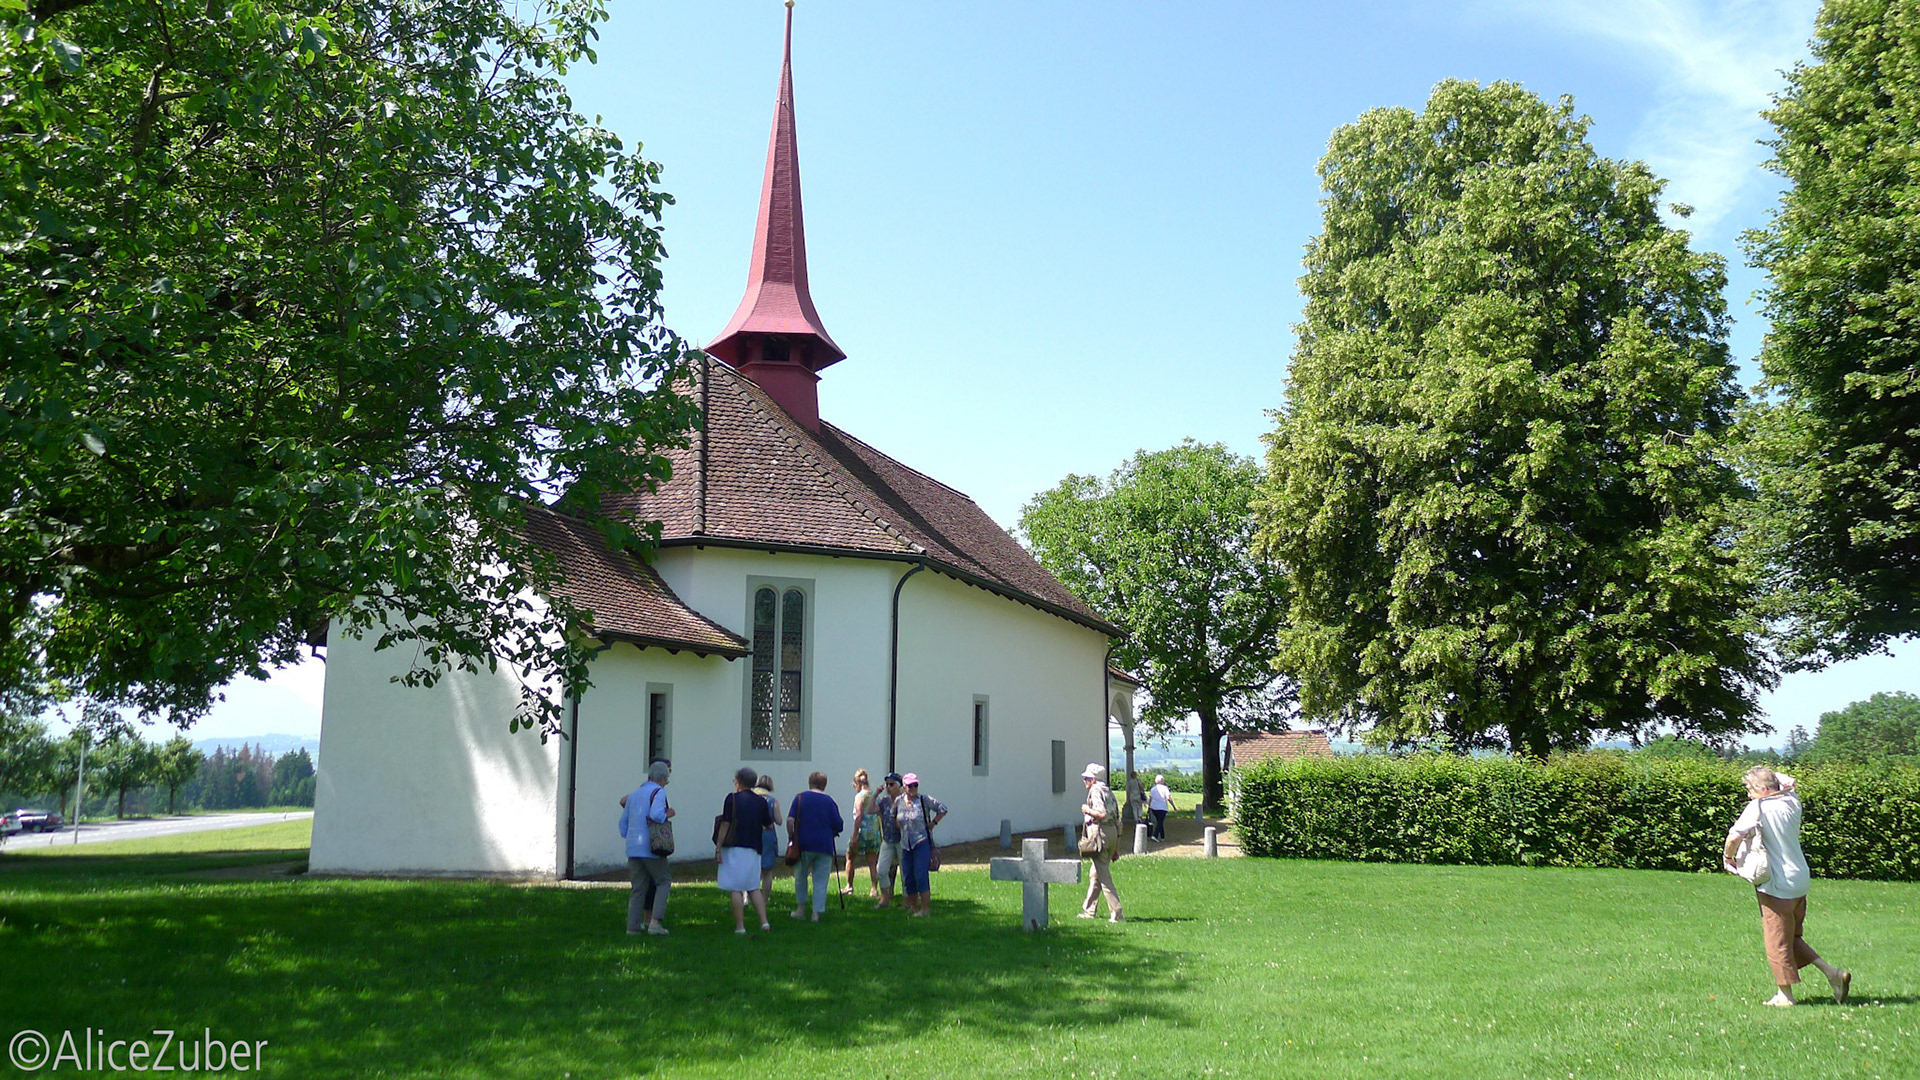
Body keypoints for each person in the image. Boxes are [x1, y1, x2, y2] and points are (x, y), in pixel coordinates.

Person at [1722, 767, 1849, 1007]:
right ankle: (1833, 974)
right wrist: (1777, 781)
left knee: (1776, 940)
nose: (1748, 795)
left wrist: (1729, 858)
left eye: (1750, 789)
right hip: (1799, 878)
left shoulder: (1758, 807)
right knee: (1791, 937)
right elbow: (1785, 782)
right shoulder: (1792, 800)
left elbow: (1734, 836)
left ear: (1763, 790)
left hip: (1776, 883)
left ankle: (1785, 996)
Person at [617, 759, 675, 936]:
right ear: (663, 779)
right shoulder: (659, 792)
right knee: (663, 881)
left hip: (633, 846)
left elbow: (623, 823)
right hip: (651, 846)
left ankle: (632, 928)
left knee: (638, 888)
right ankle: (655, 923)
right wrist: (668, 813)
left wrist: (632, 836)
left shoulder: (633, 795)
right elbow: (656, 815)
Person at [716, 766, 774, 935]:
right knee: (753, 886)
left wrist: (718, 847)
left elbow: (725, 824)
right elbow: (768, 825)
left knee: (735, 887)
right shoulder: (761, 802)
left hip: (734, 846)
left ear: (739, 782)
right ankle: (764, 923)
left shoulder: (732, 799)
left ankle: (740, 926)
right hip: (754, 847)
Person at [787, 770, 844, 921]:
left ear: (809, 783)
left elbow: (790, 821)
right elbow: (839, 824)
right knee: (820, 880)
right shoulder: (829, 801)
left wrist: (791, 837)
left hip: (803, 844)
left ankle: (800, 909)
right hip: (824, 845)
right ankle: (816, 913)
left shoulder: (800, 798)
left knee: (800, 877)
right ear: (824, 785)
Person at [894, 772, 947, 918]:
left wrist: (933, 823)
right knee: (908, 876)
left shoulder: (924, 800)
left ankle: (925, 909)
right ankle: (913, 906)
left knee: (920, 874)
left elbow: (943, 808)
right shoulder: (899, 801)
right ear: (904, 787)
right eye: (910, 786)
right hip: (905, 844)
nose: (913, 788)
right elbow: (894, 816)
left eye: (915, 785)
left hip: (921, 842)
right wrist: (901, 828)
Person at [1079, 763, 1124, 922]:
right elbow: (1118, 819)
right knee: (1095, 874)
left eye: (1086, 778)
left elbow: (1101, 813)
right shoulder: (1109, 791)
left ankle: (1117, 913)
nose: (1084, 781)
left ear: (1092, 779)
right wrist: (1116, 847)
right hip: (1112, 833)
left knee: (1104, 876)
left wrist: (1087, 810)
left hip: (1100, 834)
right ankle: (1089, 909)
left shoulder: (1096, 790)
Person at [843, 769, 881, 898]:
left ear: (857, 783)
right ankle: (874, 889)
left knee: (850, 857)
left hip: (862, 832)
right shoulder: (873, 795)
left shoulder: (859, 796)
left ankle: (849, 886)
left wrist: (854, 835)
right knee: (872, 862)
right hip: (874, 833)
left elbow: (858, 816)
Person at [873, 772, 905, 909]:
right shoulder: (885, 801)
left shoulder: (905, 801)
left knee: (905, 872)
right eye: (887, 784)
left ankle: (907, 901)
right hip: (887, 840)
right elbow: (870, 810)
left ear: (899, 786)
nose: (888, 787)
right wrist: (875, 795)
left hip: (902, 841)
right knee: (881, 870)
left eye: (891, 784)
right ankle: (884, 899)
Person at [755, 775, 785, 900]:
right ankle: (765, 899)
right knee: (766, 871)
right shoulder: (772, 801)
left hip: (752, 835)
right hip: (767, 836)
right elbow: (779, 821)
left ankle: (746, 896)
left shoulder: (752, 800)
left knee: (752, 869)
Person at [1148, 774, 1172, 842]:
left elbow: (1150, 799)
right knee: (1160, 822)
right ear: (1162, 781)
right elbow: (1169, 798)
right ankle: (1155, 835)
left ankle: (1162, 836)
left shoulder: (1153, 789)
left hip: (1154, 808)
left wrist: (1149, 807)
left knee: (1159, 821)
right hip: (1162, 808)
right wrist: (1174, 807)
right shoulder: (1165, 788)